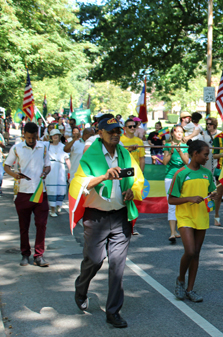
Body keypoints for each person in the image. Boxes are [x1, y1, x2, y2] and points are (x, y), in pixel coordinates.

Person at [72, 117, 144, 328]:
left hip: (120, 215)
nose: (115, 134)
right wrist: (103, 177)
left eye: (118, 131)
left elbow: (138, 180)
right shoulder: (90, 156)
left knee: (117, 266)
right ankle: (81, 288)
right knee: (94, 261)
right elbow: (80, 184)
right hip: (96, 217)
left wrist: (133, 191)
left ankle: (113, 312)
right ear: (100, 132)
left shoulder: (125, 155)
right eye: (111, 131)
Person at [169, 140, 218, 302]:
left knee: (196, 253)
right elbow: (171, 200)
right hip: (185, 217)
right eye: (205, 155)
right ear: (195, 154)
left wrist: (213, 195)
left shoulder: (207, 173)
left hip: (202, 216)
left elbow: (212, 192)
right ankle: (181, 279)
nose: (207, 158)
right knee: (190, 251)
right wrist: (190, 198)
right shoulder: (181, 173)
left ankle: (190, 289)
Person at [4, 122, 51, 267]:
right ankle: (25, 254)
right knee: (23, 226)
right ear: (24, 134)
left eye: (33, 138)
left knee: (41, 224)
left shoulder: (43, 147)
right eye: (29, 138)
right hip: (23, 192)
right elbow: (6, 166)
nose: (31, 140)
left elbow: (48, 165)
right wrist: (14, 175)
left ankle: (39, 255)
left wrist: (45, 172)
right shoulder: (17, 148)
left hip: (40, 192)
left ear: (37, 135)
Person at [152, 125, 189, 242]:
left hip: (183, 177)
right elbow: (165, 162)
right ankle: (173, 232)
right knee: (172, 204)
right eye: (176, 132)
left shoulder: (185, 146)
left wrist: (180, 151)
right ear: (172, 133)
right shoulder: (168, 145)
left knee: (183, 203)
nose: (179, 134)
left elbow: (186, 161)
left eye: (181, 132)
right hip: (170, 177)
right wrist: (171, 151)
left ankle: (182, 229)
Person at [45, 129, 70, 217]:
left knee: (61, 189)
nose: (56, 136)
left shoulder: (63, 146)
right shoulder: (47, 146)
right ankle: (52, 209)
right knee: (52, 189)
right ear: (51, 137)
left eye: (57, 135)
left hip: (61, 169)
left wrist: (71, 172)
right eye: (54, 135)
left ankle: (58, 205)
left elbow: (67, 159)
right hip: (51, 169)